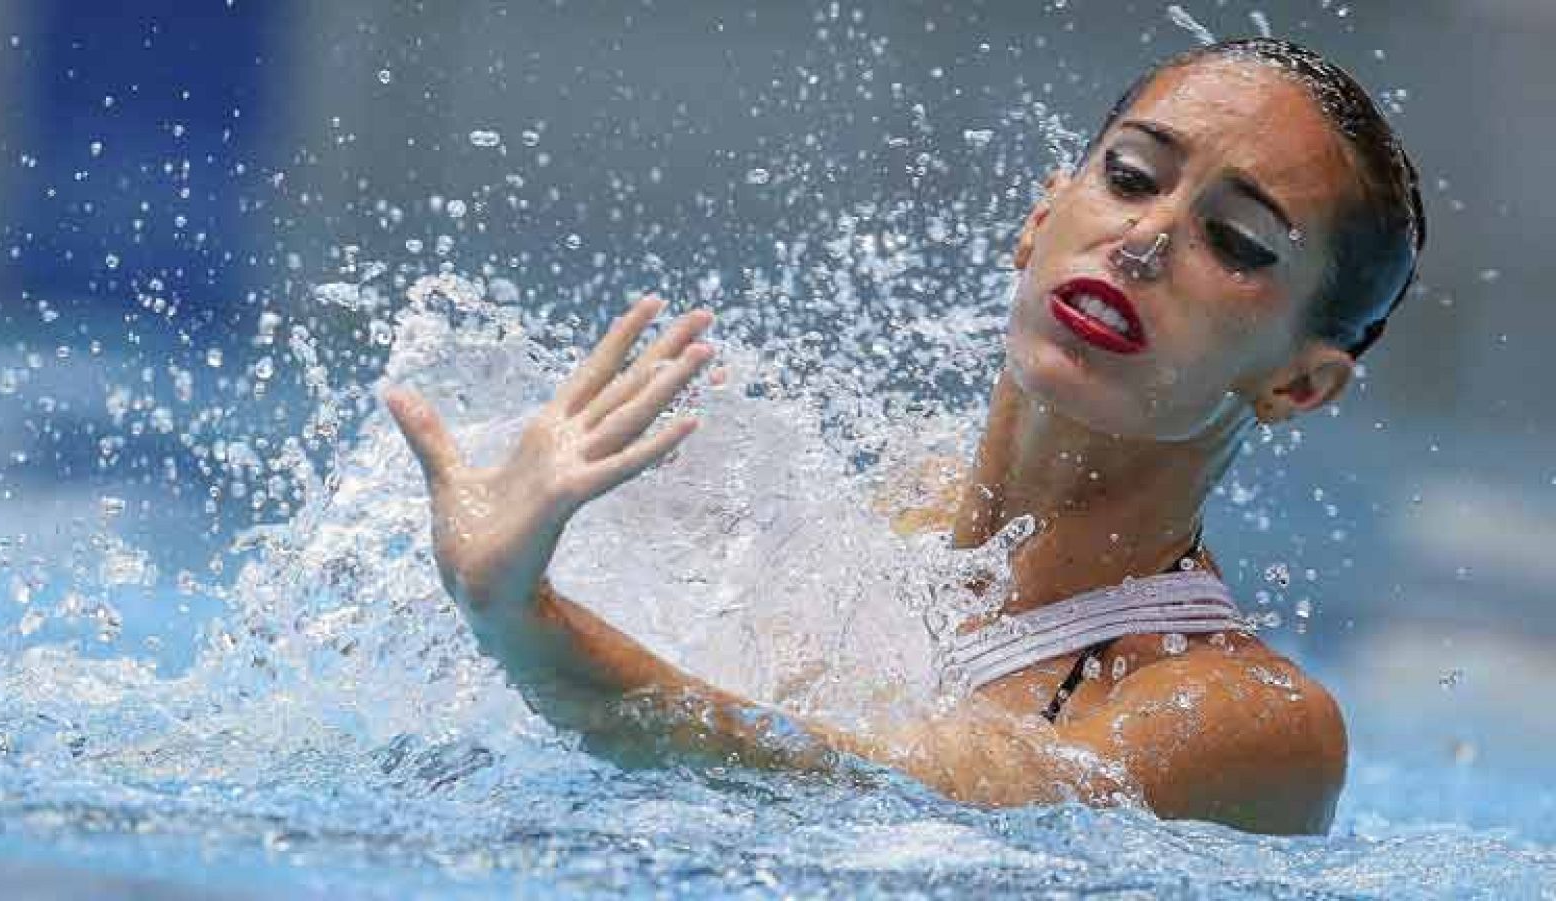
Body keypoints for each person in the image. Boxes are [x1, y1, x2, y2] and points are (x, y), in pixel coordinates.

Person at [383, 38, 1424, 836]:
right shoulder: (876, 518)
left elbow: (910, 798)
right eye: (1130, 175)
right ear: (1040, 218)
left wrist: (525, 618)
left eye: (1235, 240)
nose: (1146, 240)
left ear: (1299, 384)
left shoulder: (1245, 717)